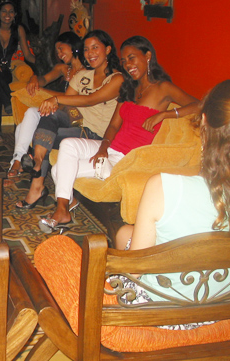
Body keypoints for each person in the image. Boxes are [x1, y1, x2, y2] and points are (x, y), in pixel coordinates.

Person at [39, 35, 199, 232]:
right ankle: (64, 208)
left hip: (126, 159)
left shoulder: (162, 88)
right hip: (110, 149)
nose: (128, 65)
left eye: (132, 58)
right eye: (124, 61)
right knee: (67, 146)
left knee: (58, 171)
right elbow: (114, 126)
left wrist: (166, 114)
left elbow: (199, 105)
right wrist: (103, 148)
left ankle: (63, 209)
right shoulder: (129, 88)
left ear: (147, 55)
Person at [111, 79, 229, 316]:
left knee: (121, 239)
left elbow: (133, 272)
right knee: (126, 231)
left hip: (163, 313)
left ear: (203, 122)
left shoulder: (162, 187)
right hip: (221, 309)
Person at [15, 30, 123, 209]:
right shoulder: (82, 76)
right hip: (77, 124)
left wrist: (56, 99)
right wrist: (51, 103)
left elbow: (91, 99)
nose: (90, 53)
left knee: (45, 134)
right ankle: (38, 162)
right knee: (49, 116)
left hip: (95, 135)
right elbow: (66, 104)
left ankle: (37, 186)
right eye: (87, 49)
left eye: (95, 47)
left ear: (108, 49)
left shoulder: (117, 78)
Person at [7, 31, 85, 180]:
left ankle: (16, 162)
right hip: (60, 110)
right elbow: (44, 79)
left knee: (27, 119)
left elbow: (70, 98)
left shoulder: (87, 71)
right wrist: (34, 78)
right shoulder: (64, 69)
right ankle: (17, 161)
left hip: (75, 115)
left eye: (62, 49)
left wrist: (45, 93)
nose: (60, 53)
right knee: (24, 122)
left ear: (73, 46)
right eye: (57, 51)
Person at [0, 0, 35, 143]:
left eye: (10, 12)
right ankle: (9, 102)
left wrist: (43, 63)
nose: (7, 14)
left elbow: (27, 55)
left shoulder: (18, 30)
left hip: (3, 73)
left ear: (15, 14)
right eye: (4, 11)